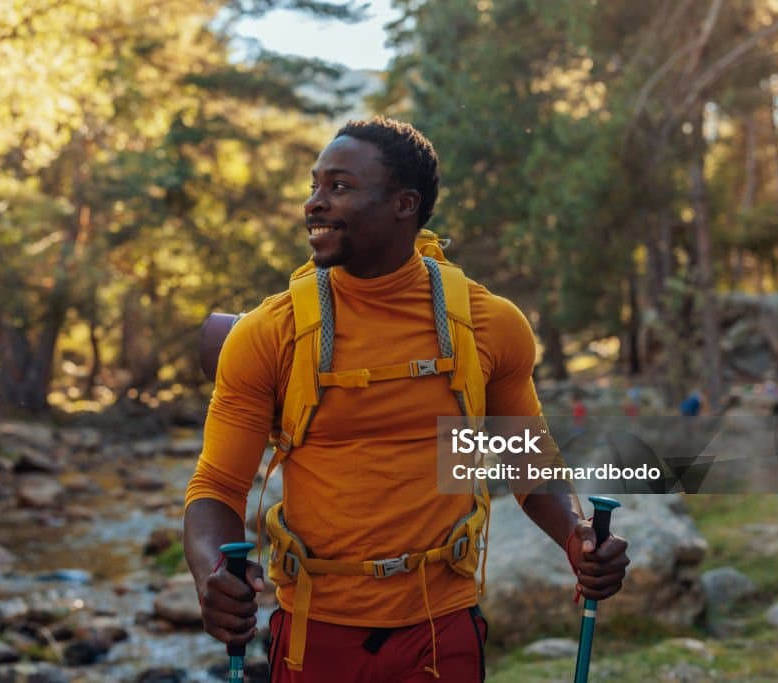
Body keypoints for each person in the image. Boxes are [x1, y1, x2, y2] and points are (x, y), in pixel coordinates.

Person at [183, 118, 629, 682]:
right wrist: (211, 573)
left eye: (339, 187)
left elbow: (526, 462)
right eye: (314, 186)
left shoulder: (489, 326)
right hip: (313, 633)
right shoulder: (271, 332)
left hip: (442, 633)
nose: (314, 204)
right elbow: (216, 486)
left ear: (404, 204)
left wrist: (576, 535)